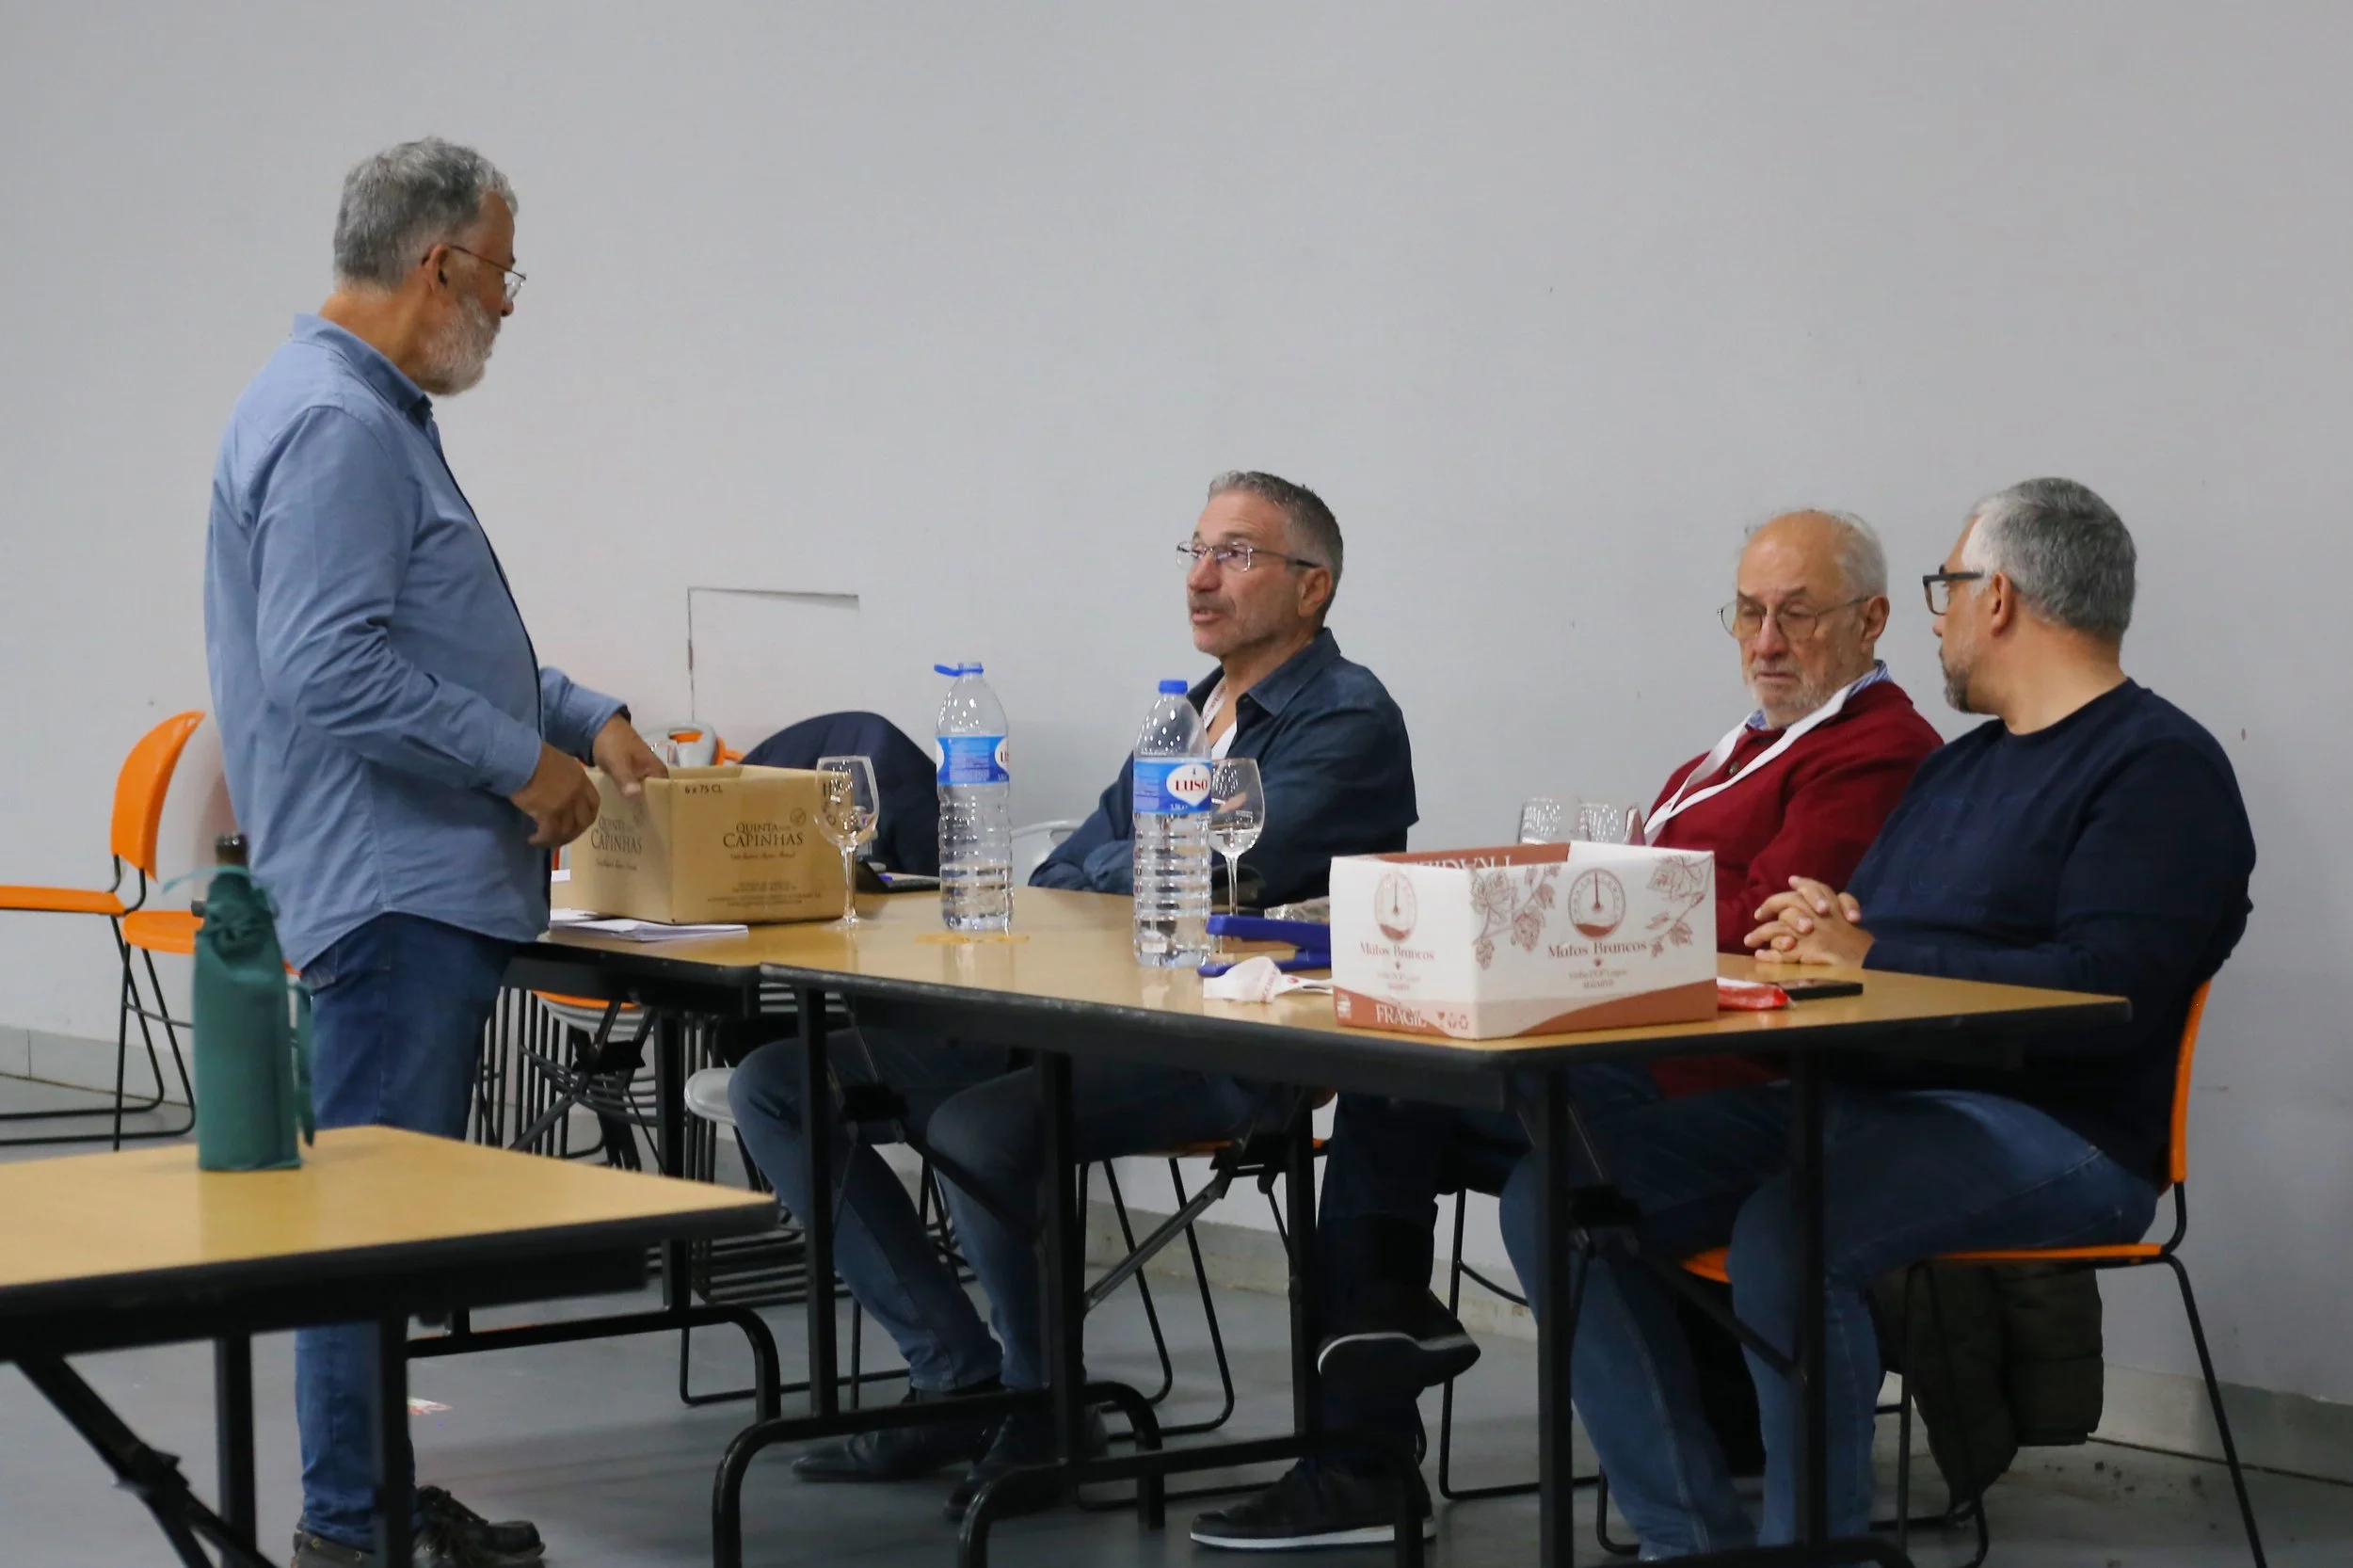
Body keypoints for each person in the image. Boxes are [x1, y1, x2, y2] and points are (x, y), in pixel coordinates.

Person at [1486, 477, 2254, 1557]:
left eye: (1947, 588)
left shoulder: (2156, 768)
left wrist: (1871, 948)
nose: (1936, 617)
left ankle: (1813, 1545)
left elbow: (2105, 990)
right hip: (1866, 1094)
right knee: (1557, 1191)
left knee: (1787, 1236)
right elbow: (1866, 920)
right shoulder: (1967, 768)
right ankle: (1689, 1539)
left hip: (2061, 1131)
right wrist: (1827, 924)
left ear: (2000, 599)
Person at [1192, 508, 1945, 1550]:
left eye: (1797, 615)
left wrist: (1608, 904)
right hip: (1633, 1053)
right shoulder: (1736, 749)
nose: (1765, 642)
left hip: (1720, 1078)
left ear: (1871, 621)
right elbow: (1658, 892)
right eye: (1747, 613)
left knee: (1422, 1097)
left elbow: (1769, 926)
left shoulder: (1873, 750)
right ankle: (1376, 1369)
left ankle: (1363, 1440)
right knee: (1396, 1078)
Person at [727, 471, 1417, 1519]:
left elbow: (1228, 863)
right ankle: (957, 1376)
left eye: (1234, 554)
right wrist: (1129, 862)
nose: (1199, 577)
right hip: (1086, 1015)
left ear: (1311, 587)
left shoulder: (1349, 716)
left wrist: (1130, 862)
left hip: (1238, 1044)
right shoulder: (1185, 714)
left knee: (979, 1127)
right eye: (1193, 549)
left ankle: (1046, 1404)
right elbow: (1088, 864)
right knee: (777, 1081)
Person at [205, 138, 666, 1568]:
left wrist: (591, 718)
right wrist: (522, 761)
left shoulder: (357, 411)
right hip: (393, 889)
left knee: (385, 1224)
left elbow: (434, 639)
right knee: (368, 1227)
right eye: (507, 269)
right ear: (440, 263)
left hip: (408, 883)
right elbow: (331, 665)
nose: (512, 303)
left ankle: (378, 1499)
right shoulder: (339, 425)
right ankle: (351, 1525)